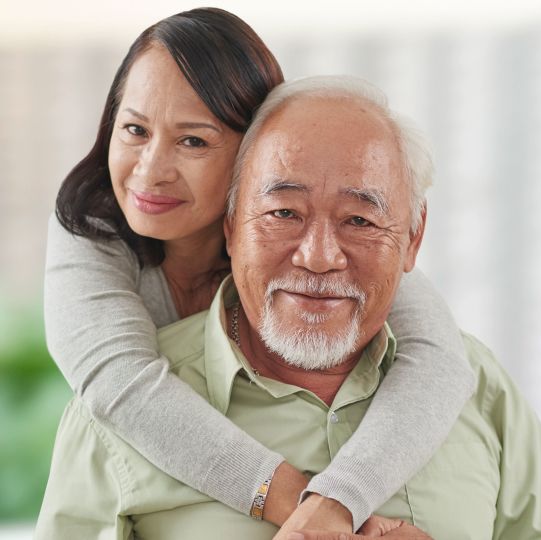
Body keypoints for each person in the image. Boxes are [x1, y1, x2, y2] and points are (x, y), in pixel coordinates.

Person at [36, 74, 541, 539]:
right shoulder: (112, 418)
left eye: (360, 220)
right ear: (231, 226)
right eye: (284, 212)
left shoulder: (474, 380)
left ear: (412, 239)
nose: (318, 257)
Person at [41, 8, 476, 534]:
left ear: (259, 153)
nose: (150, 170)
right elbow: (119, 383)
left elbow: (440, 360)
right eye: (134, 129)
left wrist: (341, 499)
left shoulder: (310, 244)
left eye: (194, 141)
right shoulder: (88, 228)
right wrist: (313, 513)